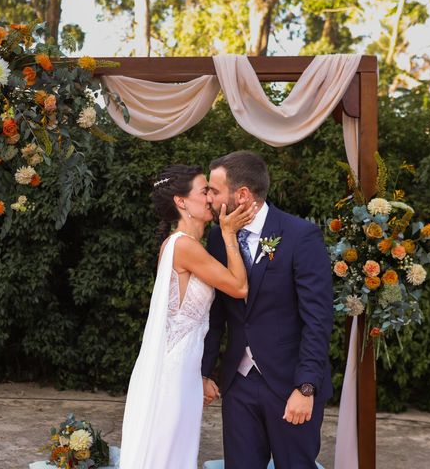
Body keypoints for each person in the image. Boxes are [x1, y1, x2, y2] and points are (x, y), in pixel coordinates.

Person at [202, 150, 334, 469]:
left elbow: (318, 319)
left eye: (214, 190)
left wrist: (306, 386)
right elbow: (216, 313)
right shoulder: (219, 237)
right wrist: (204, 372)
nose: (208, 197)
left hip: (290, 383)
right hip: (239, 383)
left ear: (243, 195)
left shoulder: (300, 236)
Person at [118, 164, 256, 469]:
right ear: (182, 202)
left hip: (183, 368)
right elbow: (239, 286)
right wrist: (229, 233)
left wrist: (199, 376)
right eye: (204, 190)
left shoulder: (180, 245)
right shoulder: (184, 247)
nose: (210, 198)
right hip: (174, 372)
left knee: (175, 453)